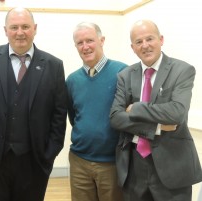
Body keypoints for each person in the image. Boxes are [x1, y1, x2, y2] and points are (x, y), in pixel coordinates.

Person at [0, 7, 67, 201]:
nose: (20, 32)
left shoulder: (54, 65)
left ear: (35, 28)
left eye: (25, 26)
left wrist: (49, 155)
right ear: (5, 30)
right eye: (14, 27)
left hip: (34, 161)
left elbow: (59, 114)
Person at [110, 19, 202, 201]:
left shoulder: (182, 70)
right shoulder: (125, 76)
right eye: (138, 42)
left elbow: (177, 112)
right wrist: (155, 128)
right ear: (132, 47)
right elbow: (115, 117)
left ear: (161, 39)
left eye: (149, 39)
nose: (145, 45)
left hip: (173, 167)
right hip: (134, 168)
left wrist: (136, 108)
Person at [66, 22, 126, 201]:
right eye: (80, 42)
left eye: (90, 40)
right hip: (79, 161)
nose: (85, 47)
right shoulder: (72, 80)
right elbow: (74, 116)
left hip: (111, 163)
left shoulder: (122, 72)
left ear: (102, 40)